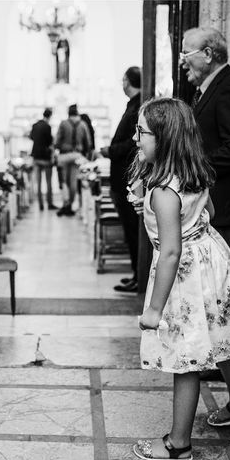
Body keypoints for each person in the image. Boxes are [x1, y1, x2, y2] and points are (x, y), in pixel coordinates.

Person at [130, 98, 230, 460]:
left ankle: (178, 445)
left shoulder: (163, 192)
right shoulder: (195, 172)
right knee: (219, 335)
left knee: (185, 357)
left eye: (143, 132)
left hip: (184, 274)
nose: (136, 137)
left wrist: (154, 309)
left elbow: (170, 252)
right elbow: (210, 212)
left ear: (165, 139)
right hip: (212, 259)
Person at [180, 27, 230, 252]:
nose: (182, 63)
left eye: (185, 54)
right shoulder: (208, 90)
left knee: (219, 281)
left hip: (223, 208)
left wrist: (190, 167)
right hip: (209, 205)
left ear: (207, 54)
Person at [100, 66, 142, 293]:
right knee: (129, 231)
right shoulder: (133, 105)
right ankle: (136, 273)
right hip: (122, 178)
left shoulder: (137, 107)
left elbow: (132, 144)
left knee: (133, 231)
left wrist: (110, 150)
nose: (121, 83)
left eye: (123, 79)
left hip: (127, 176)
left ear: (128, 81)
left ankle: (139, 275)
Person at [54, 104, 91, 217]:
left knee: (64, 181)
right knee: (73, 181)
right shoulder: (83, 124)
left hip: (64, 155)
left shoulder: (63, 123)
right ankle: (70, 205)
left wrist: (59, 147)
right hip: (77, 156)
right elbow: (88, 143)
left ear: (68, 113)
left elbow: (57, 141)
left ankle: (65, 204)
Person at [29, 108, 57, 211]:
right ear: (50, 116)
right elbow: (50, 141)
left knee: (39, 182)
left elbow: (31, 137)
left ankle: (40, 204)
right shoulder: (47, 126)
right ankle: (49, 203)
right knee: (48, 182)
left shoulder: (35, 125)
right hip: (45, 157)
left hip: (36, 157)